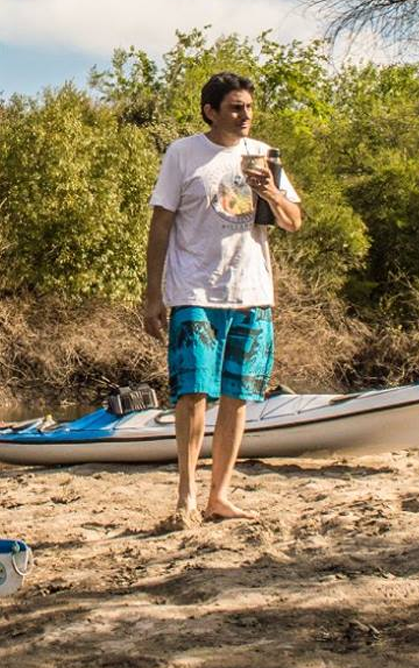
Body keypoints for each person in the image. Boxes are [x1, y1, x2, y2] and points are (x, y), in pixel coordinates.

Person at [139, 71, 303, 528]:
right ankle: (186, 496)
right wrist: (153, 294)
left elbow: (293, 221)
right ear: (210, 111)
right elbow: (161, 224)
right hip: (195, 289)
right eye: (235, 107)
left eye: (248, 107)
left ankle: (220, 496)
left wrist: (270, 190)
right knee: (192, 391)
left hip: (251, 292)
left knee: (238, 395)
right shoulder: (183, 153)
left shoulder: (264, 155)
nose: (245, 115)